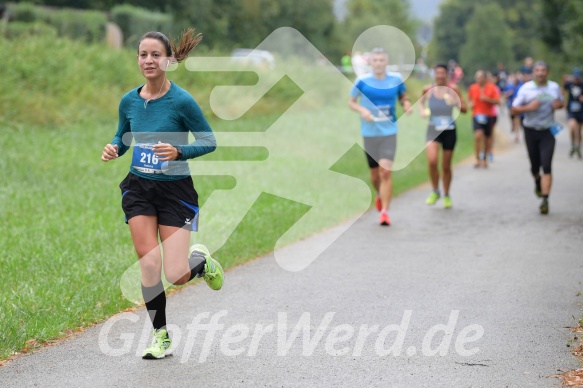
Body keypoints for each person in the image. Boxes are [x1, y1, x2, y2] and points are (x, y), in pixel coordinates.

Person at [101, 29, 224, 359]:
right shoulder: (129, 101)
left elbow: (209, 141)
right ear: (137, 58)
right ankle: (161, 336)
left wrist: (179, 152)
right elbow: (122, 137)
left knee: (177, 273)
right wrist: (114, 148)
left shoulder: (181, 101)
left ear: (168, 60)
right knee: (149, 264)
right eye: (143, 54)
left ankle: (201, 262)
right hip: (139, 188)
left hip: (175, 191)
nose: (148, 60)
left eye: (155, 54)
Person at [348, 47, 412, 226]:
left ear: (386, 62)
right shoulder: (362, 81)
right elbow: (351, 102)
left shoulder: (396, 79)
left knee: (385, 171)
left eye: (381, 60)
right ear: (370, 63)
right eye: (375, 60)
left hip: (389, 133)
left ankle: (384, 212)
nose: (378, 63)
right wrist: (362, 110)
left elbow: (403, 96)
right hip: (369, 133)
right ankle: (379, 194)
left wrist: (406, 104)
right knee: (375, 176)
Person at [511, 61, 564, 215]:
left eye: (543, 70)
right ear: (534, 72)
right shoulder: (526, 88)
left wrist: (559, 105)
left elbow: (561, 103)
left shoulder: (554, 87)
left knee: (546, 165)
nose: (540, 73)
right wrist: (528, 107)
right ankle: (537, 181)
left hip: (548, 131)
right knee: (535, 167)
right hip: (530, 131)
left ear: (547, 72)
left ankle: (545, 200)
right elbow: (514, 109)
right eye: (537, 70)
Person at [419, 63, 467, 208]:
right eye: (437, 73)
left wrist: (455, 102)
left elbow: (465, 109)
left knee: (446, 165)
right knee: (432, 161)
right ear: (434, 74)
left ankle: (446, 194)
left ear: (447, 75)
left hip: (449, 130)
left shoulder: (454, 89)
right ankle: (435, 191)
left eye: (442, 73)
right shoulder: (427, 89)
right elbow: (421, 103)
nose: (440, 76)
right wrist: (422, 110)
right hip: (433, 129)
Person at [467, 70, 500, 168]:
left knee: (486, 138)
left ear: (485, 78)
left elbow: (498, 101)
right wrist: (470, 104)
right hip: (476, 115)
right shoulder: (473, 88)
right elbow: (469, 99)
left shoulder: (492, 88)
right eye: (477, 77)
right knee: (478, 136)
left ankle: (484, 158)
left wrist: (487, 99)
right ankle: (477, 159)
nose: (478, 79)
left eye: (480, 77)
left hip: (488, 115)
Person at [563, 67, 583, 158]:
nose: (576, 79)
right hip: (571, 110)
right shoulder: (569, 84)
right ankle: (572, 145)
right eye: (575, 78)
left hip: (581, 111)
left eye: (577, 78)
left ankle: (578, 147)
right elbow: (563, 91)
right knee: (572, 127)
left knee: (578, 131)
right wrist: (564, 101)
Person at [504, 72, 523, 143]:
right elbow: (504, 95)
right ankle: (512, 126)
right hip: (510, 105)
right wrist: (509, 93)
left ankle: (517, 135)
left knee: (517, 119)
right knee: (512, 118)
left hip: (518, 107)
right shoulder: (509, 86)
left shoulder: (521, 86)